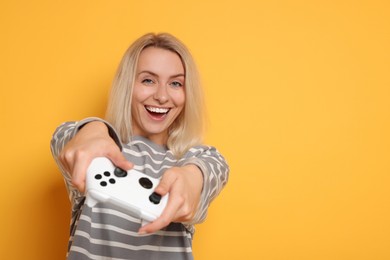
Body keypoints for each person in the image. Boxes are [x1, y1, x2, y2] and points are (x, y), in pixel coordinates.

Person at [51, 33, 229, 260]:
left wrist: (191, 179)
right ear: (128, 86)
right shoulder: (97, 152)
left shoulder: (189, 158)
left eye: (176, 83)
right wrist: (94, 128)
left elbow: (215, 166)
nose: (162, 96)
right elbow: (63, 139)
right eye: (148, 80)